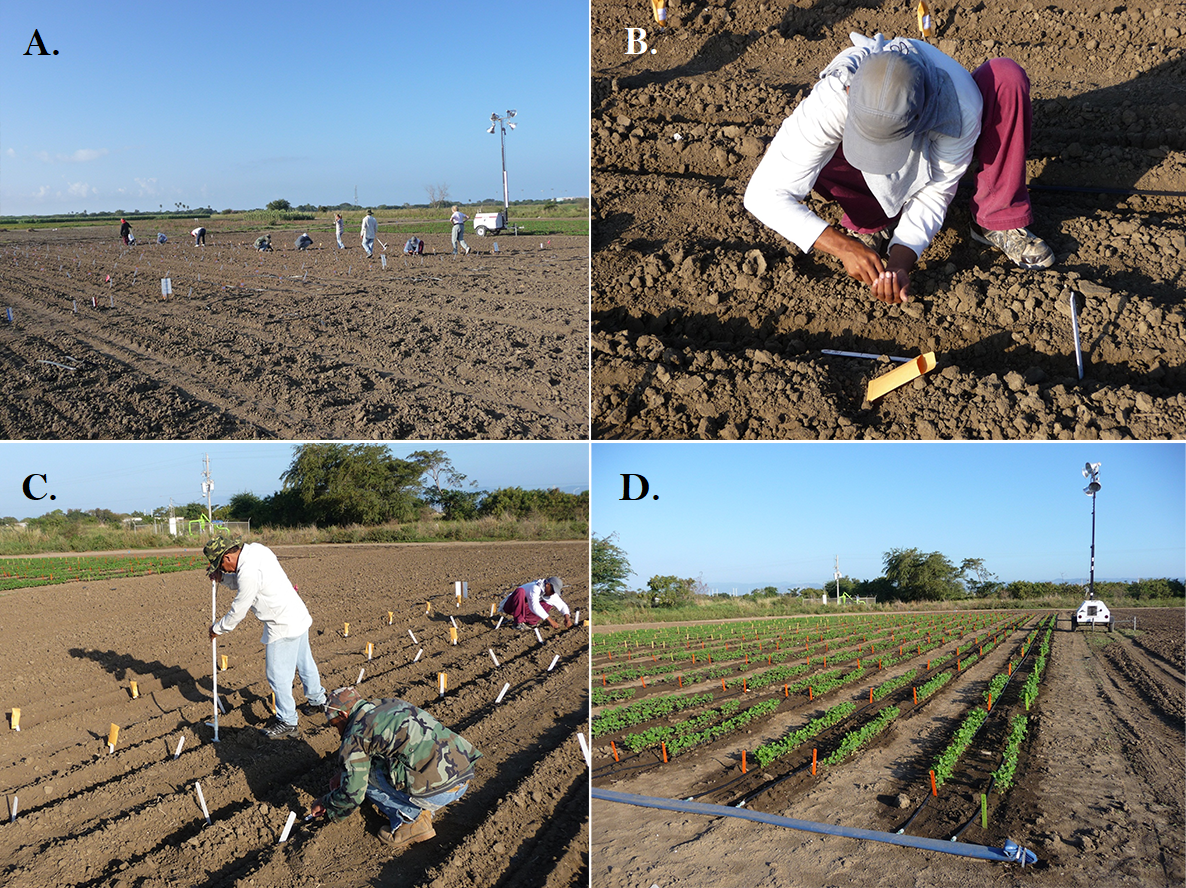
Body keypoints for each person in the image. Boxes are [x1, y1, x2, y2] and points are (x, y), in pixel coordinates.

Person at [743, 33, 1054, 307]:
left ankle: (994, 219)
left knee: (1006, 77)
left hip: (942, 128)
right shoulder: (834, 97)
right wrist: (843, 246)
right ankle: (871, 220)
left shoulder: (959, 108)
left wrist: (901, 261)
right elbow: (762, 196)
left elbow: (936, 193)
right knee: (809, 153)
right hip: (855, 135)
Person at [308, 687, 482, 849]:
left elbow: (352, 794)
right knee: (376, 765)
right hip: (463, 776)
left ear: (343, 714)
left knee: (363, 777)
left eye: (335, 724)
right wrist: (344, 770)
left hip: (438, 793)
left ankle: (410, 820)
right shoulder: (390, 704)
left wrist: (326, 803)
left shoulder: (355, 733)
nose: (338, 731)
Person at [204, 533, 327, 739]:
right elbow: (245, 580)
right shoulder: (257, 550)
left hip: (281, 624)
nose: (221, 569)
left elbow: (240, 608)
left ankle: (288, 721)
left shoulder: (248, 573)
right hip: (297, 614)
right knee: (305, 662)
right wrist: (224, 578)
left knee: (277, 675)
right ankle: (318, 700)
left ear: (227, 558)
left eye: (220, 566)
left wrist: (218, 628)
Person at [497, 577, 572, 629]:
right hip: (511, 606)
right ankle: (518, 623)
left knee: (548, 604)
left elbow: (562, 606)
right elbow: (534, 606)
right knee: (520, 591)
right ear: (548, 585)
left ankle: (530, 622)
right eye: (553, 591)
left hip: (524, 608)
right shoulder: (535, 587)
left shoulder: (549, 593)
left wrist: (567, 618)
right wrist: (550, 620)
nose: (553, 593)